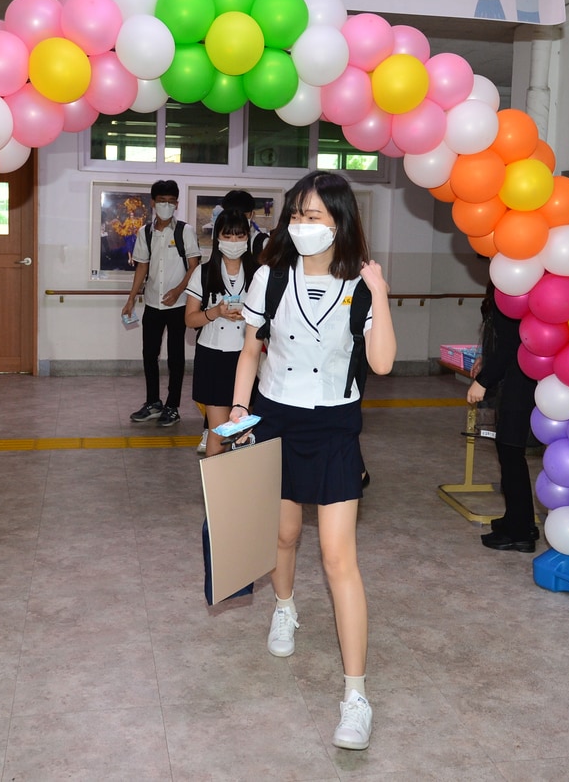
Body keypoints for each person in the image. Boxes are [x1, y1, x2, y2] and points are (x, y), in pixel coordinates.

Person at [228, 170, 396, 751]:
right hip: (275, 417)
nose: (303, 226)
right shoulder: (270, 279)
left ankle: (356, 697)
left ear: (340, 223)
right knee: (283, 532)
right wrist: (238, 410)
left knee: (337, 556)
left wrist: (382, 296)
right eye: (297, 215)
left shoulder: (360, 286)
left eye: (316, 216)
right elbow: (251, 353)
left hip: (334, 426)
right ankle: (284, 607)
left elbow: (382, 365)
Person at [466, 282, 540, 552]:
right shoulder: (510, 287)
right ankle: (516, 519)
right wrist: (485, 359)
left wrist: (483, 382)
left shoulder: (513, 290)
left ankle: (521, 532)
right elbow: (502, 340)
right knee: (508, 452)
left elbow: (510, 344)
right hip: (518, 378)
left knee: (511, 453)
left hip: (520, 382)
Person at [123, 180, 200, 427]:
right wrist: (131, 298)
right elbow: (142, 266)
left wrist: (179, 291)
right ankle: (153, 403)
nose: (166, 205)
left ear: (176, 203)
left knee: (176, 357)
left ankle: (173, 406)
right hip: (153, 304)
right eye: (162, 201)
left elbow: (194, 266)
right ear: (153, 203)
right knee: (149, 354)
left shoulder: (184, 231)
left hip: (178, 306)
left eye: (171, 201)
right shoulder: (145, 232)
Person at [185, 210, 257, 457]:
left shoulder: (259, 274)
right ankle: (216, 493)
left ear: (248, 238)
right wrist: (215, 312)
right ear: (218, 238)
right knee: (217, 433)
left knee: (243, 433)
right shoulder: (204, 273)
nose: (234, 242)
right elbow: (190, 318)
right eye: (228, 236)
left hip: (248, 357)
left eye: (240, 236)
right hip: (213, 357)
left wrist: (250, 315)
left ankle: (239, 491)